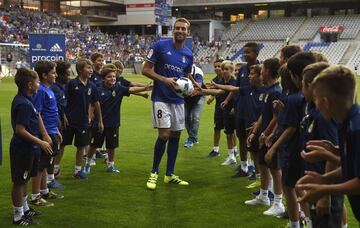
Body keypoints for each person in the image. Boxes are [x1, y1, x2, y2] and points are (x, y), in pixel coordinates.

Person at [296, 65, 360, 224]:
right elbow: (351, 166)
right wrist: (325, 177)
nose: (314, 103)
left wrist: (325, 189)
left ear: (326, 102)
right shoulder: (346, 123)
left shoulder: (356, 128)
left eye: (316, 98)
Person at [142, 17, 193, 190]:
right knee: (164, 135)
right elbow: (145, 69)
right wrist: (164, 80)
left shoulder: (188, 54)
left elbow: (186, 76)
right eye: (177, 28)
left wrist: (193, 85)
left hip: (178, 100)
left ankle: (169, 175)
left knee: (176, 137)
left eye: (183, 29)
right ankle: (154, 172)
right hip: (161, 98)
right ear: (173, 30)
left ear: (188, 32)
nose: (180, 31)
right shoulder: (159, 46)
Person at [84, 67, 152, 174]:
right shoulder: (97, 89)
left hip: (113, 123)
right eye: (109, 76)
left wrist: (146, 88)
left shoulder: (119, 88)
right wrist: (90, 116)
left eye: (114, 76)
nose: (112, 78)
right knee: (94, 145)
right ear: (103, 78)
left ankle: (111, 165)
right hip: (99, 123)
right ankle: (87, 163)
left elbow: (131, 89)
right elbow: (92, 104)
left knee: (112, 146)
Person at [300, 62, 344, 228]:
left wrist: (325, 194)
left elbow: (333, 153)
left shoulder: (324, 115)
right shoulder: (313, 110)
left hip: (325, 187)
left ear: (311, 86)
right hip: (317, 183)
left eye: (304, 84)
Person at [10, 68, 52, 225]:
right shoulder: (23, 103)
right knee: (19, 182)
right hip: (22, 149)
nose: (38, 84)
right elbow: (20, 130)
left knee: (25, 179)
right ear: (29, 85)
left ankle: (25, 209)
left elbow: (37, 116)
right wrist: (40, 141)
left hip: (30, 149)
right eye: (36, 82)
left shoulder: (28, 99)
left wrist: (45, 134)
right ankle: (17, 216)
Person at [245, 58, 284, 217]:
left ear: (267, 71)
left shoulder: (276, 91)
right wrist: (256, 130)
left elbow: (276, 118)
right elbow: (264, 114)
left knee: (275, 168)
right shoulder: (268, 90)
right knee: (263, 165)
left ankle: (278, 202)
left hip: (270, 136)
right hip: (263, 135)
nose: (260, 72)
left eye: (262, 69)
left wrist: (265, 134)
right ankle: (263, 196)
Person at [62, 59, 103, 179]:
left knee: (81, 146)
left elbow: (96, 103)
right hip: (69, 121)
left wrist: (100, 121)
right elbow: (64, 100)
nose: (91, 70)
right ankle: (54, 169)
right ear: (80, 70)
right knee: (62, 144)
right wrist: (63, 115)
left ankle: (77, 170)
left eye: (91, 68)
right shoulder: (71, 84)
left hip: (83, 121)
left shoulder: (92, 86)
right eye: (88, 68)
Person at [31, 61, 64, 207]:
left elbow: (51, 113)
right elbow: (37, 114)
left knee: (45, 164)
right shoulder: (41, 91)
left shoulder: (49, 89)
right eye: (53, 72)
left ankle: (44, 191)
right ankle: (35, 196)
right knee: (39, 166)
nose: (55, 75)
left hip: (52, 132)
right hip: (45, 134)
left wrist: (56, 130)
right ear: (44, 75)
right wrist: (45, 135)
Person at [51, 61, 71, 180]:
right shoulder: (53, 89)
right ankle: (50, 176)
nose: (69, 77)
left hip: (62, 121)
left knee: (61, 145)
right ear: (60, 75)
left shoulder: (63, 86)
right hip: (54, 123)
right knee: (54, 148)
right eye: (67, 74)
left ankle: (54, 170)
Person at [184, 64, 205, 148]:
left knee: (195, 117)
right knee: (186, 117)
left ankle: (191, 139)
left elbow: (199, 86)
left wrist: (190, 77)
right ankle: (193, 137)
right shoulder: (180, 70)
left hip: (199, 97)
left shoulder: (198, 71)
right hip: (186, 98)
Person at [207, 58, 224, 157]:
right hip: (218, 108)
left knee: (230, 131)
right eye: (216, 66)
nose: (217, 68)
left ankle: (234, 150)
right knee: (216, 128)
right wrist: (211, 98)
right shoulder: (214, 80)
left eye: (219, 66)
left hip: (228, 107)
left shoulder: (228, 79)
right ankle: (216, 150)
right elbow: (214, 92)